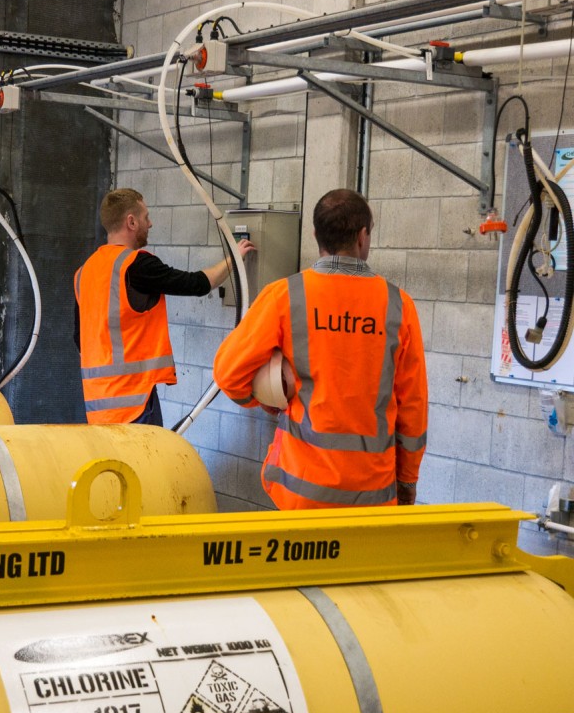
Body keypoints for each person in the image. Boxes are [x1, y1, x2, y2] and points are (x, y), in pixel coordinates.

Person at [213, 188, 427, 509]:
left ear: (315, 235)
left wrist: (266, 400)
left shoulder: (284, 296)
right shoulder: (399, 306)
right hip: (371, 496)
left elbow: (228, 374)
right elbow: (413, 407)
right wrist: (407, 481)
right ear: (363, 236)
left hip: (299, 491)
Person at [74, 188, 254, 425]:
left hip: (97, 407)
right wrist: (235, 258)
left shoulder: (84, 272)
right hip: (135, 406)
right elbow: (197, 283)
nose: (150, 223)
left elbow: (79, 340)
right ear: (131, 222)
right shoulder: (136, 265)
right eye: (146, 217)